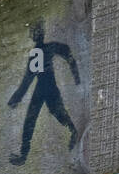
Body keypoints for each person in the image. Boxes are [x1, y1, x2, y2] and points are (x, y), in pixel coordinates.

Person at [8, 22, 80, 166]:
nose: (35, 34)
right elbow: (27, 79)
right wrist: (16, 98)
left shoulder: (47, 48)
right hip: (41, 88)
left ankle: (74, 131)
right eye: (33, 31)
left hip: (49, 87)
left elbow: (67, 53)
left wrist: (76, 77)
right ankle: (23, 155)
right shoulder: (36, 53)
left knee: (57, 112)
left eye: (37, 31)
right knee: (31, 119)